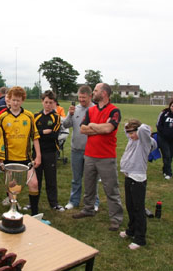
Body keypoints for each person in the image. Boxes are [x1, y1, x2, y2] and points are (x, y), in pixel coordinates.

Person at [72, 83, 123, 232]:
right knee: (89, 186)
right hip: (89, 155)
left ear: (104, 93)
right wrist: (99, 127)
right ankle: (88, 209)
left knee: (111, 189)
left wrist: (93, 126)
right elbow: (83, 129)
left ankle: (116, 219)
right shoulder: (91, 110)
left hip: (106, 156)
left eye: (95, 90)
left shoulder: (114, 110)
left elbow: (109, 128)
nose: (93, 92)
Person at [0, 86, 41, 217]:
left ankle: (34, 214)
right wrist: (0, 160)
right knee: (12, 187)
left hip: (25, 158)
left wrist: (38, 155)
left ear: (22, 100)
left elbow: (35, 137)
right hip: (9, 159)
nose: (15, 103)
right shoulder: (3, 117)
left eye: (18, 100)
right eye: (13, 100)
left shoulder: (28, 116)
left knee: (34, 183)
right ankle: (13, 213)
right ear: (8, 100)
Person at [119, 119, 157, 250]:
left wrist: (140, 127)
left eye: (132, 133)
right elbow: (125, 128)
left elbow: (144, 130)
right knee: (130, 206)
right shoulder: (132, 139)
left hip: (138, 179)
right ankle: (132, 230)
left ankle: (140, 238)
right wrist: (130, 127)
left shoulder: (144, 142)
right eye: (129, 133)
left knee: (138, 209)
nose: (130, 136)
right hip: (129, 176)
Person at [63, 85, 100, 211]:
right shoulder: (74, 109)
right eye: (79, 97)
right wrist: (70, 114)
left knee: (92, 179)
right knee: (76, 179)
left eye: (84, 98)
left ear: (90, 96)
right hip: (76, 150)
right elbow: (66, 124)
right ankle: (74, 201)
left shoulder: (96, 109)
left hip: (92, 151)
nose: (81, 100)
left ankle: (94, 202)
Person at [34, 90, 64, 211]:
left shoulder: (56, 117)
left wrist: (40, 134)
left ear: (54, 103)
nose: (48, 105)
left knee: (51, 179)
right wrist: (43, 132)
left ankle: (54, 203)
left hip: (51, 152)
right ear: (42, 102)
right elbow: (33, 134)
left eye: (50, 102)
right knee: (36, 180)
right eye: (46, 102)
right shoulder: (36, 116)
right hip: (36, 152)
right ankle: (33, 203)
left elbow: (54, 135)